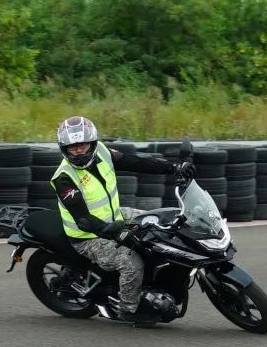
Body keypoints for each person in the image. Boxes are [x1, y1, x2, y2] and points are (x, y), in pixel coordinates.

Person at [50, 116, 195, 323]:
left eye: (82, 145)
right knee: (131, 263)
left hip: (115, 216)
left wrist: (173, 168)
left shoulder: (101, 151)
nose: (79, 151)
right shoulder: (64, 178)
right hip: (88, 236)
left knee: (163, 220)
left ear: (91, 143)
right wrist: (116, 231)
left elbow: (134, 162)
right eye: (72, 148)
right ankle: (130, 309)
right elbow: (84, 220)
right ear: (64, 149)